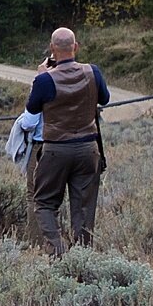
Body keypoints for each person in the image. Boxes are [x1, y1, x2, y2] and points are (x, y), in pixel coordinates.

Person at [24, 24, 112, 252]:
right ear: (76, 47)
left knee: (43, 202)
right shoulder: (93, 71)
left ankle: (58, 250)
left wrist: (41, 75)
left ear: (53, 48)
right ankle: (81, 257)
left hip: (55, 149)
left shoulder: (45, 80)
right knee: (83, 208)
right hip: (88, 148)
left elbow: (32, 109)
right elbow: (105, 99)